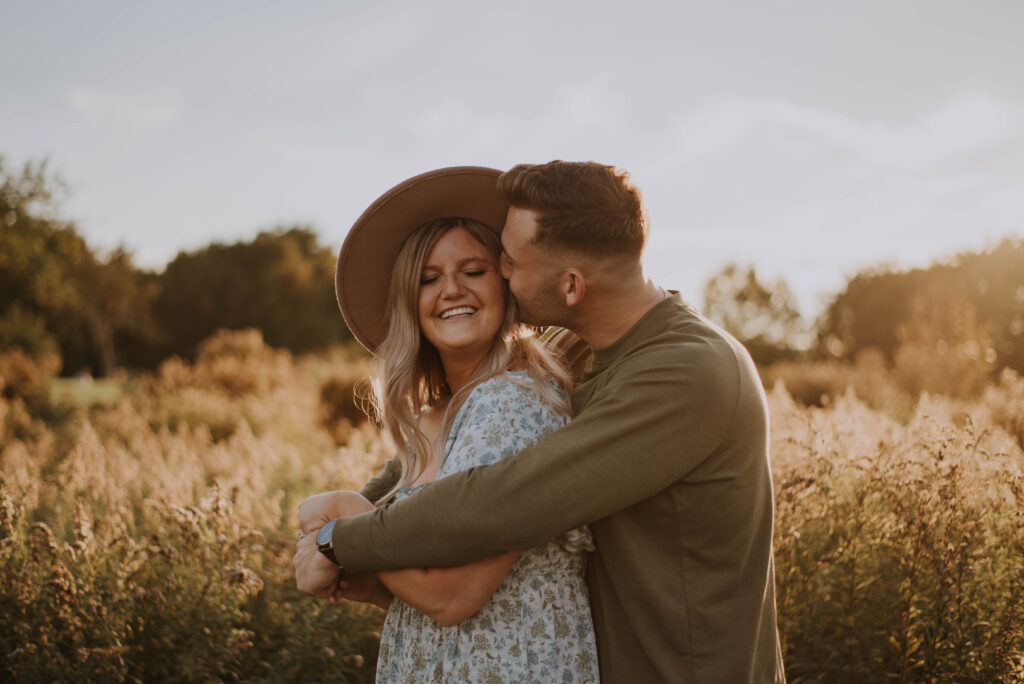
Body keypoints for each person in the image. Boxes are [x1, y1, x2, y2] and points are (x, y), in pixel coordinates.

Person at [296, 161, 786, 683]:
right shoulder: (574, 351)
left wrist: (341, 538)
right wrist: (356, 528)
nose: (500, 271)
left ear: (571, 285)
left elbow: (501, 500)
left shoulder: (687, 372)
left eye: (507, 261)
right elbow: (426, 465)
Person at [293, 166, 599, 682]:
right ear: (409, 300)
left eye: (473, 271)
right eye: (429, 278)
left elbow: (454, 595)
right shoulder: (432, 416)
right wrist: (367, 584)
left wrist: (343, 522)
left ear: (506, 283)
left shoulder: (511, 404)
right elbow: (431, 591)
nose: (451, 290)